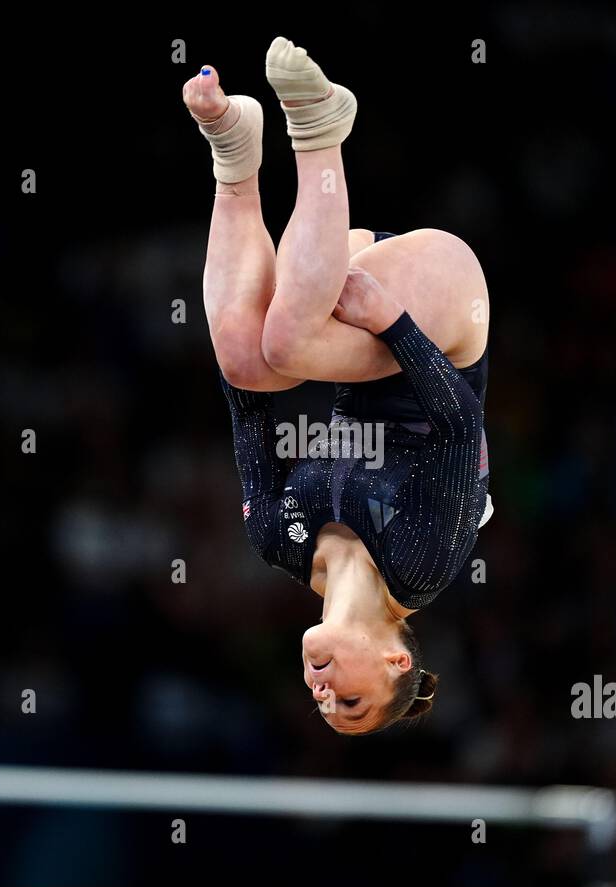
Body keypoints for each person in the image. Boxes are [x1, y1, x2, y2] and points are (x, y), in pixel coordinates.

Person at [184, 38, 492, 733]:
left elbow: (248, 410)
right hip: (443, 321)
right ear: (394, 664)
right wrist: (396, 323)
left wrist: (248, 345)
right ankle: (319, 123)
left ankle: (234, 158)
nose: (324, 695)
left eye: (323, 706)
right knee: (287, 344)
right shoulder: (419, 565)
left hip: (339, 291)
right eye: (350, 704)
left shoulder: (278, 539)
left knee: (245, 357)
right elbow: (461, 425)